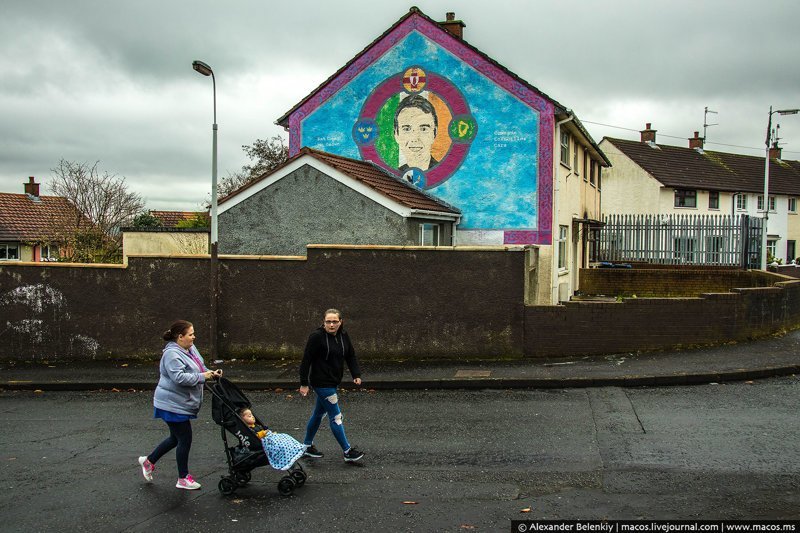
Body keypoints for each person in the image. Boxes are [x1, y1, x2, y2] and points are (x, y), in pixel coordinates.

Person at [138, 320, 222, 490]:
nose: (194, 336)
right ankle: (182, 478)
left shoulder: (189, 348)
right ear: (180, 337)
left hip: (179, 401)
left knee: (175, 438)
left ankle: (149, 461)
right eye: (190, 334)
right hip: (171, 404)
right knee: (184, 438)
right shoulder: (171, 355)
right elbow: (180, 378)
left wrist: (210, 373)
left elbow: (199, 366)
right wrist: (203, 377)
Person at [298, 308, 365, 462]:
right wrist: (304, 383)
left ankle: (306, 446)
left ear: (340, 322)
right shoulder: (316, 337)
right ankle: (347, 451)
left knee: (318, 414)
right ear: (324, 322)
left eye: (335, 321)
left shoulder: (343, 335)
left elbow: (350, 355)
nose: (331, 324)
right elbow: (306, 360)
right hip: (321, 383)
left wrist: (356, 374)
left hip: (334, 381)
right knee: (336, 416)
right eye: (328, 321)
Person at [238, 407, 305, 471]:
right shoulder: (248, 430)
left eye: (252, 415)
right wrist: (263, 433)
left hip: (268, 437)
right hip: (263, 442)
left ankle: (293, 451)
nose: (252, 416)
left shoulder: (256, 425)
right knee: (280, 446)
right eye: (249, 416)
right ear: (243, 420)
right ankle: (287, 459)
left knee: (284, 437)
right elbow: (255, 436)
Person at [394, 94, 440, 172]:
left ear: (434, 133)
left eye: (423, 129)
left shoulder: (442, 171)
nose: (414, 138)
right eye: (406, 129)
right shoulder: (393, 175)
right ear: (396, 135)